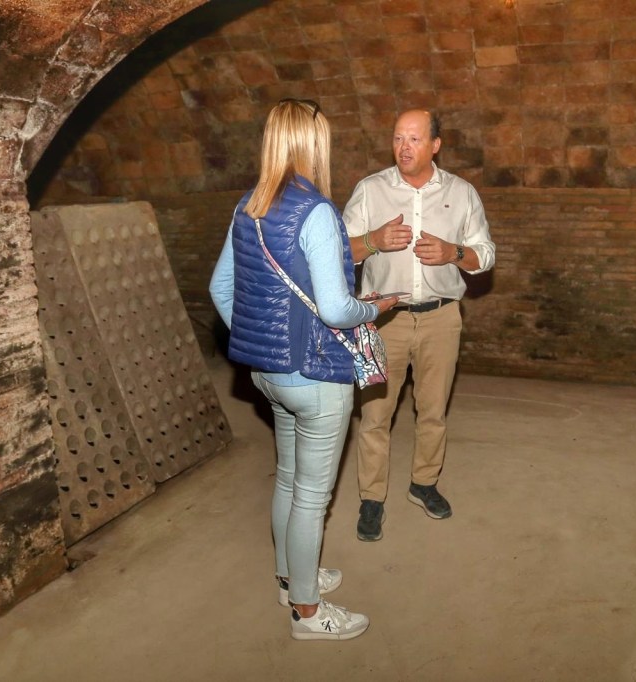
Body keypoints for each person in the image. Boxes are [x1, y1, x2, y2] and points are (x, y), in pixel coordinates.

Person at [209, 99, 399, 640]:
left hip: (268, 374)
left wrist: (260, 343)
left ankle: (290, 579)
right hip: (315, 378)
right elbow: (337, 309)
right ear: (313, 142)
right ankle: (308, 613)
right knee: (312, 498)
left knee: (290, 480)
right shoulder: (315, 211)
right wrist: (374, 309)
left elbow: (220, 289)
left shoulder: (248, 205)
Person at [344, 109, 496, 542]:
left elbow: (486, 255)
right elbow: (337, 250)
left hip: (441, 319)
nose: (404, 147)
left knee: (433, 411)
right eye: (397, 138)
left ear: (435, 145)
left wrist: (453, 253)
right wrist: (373, 240)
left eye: (414, 139)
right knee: (375, 416)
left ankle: (423, 483)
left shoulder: (461, 193)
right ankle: (372, 498)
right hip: (382, 320)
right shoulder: (370, 190)